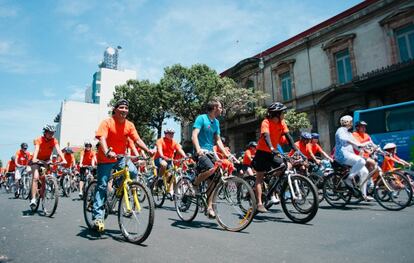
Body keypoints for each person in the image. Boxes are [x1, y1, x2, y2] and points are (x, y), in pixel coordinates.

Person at [92, 99, 155, 231]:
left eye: (126, 108)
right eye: (121, 107)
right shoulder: (107, 122)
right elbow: (102, 138)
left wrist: (147, 150)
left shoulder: (129, 125)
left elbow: (137, 140)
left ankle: (118, 191)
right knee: (102, 185)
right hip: (106, 158)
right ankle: (98, 217)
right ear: (115, 109)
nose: (124, 110)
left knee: (132, 172)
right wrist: (107, 151)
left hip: (120, 158)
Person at [252, 102, 302, 213]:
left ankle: (271, 183)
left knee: (285, 166)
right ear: (276, 114)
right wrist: (271, 147)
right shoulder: (266, 122)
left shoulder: (282, 122)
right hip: (262, 152)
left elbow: (288, 137)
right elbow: (266, 136)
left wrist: (296, 149)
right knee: (259, 177)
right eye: (282, 112)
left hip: (272, 152)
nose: (284, 114)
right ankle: (259, 203)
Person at [192, 99, 229, 218]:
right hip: (201, 152)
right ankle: (195, 183)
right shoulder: (201, 118)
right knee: (211, 168)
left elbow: (218, 140)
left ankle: (209, 208)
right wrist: (198, 150)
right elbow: (194, 135)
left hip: (210, 152)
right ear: (214, 108)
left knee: (215, 178)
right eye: (220, 107)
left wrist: (227, 154)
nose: (221, 109)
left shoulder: (216, 122)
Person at [334, 115, 372, 201]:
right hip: (342, 155)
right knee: (361, 161)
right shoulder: (340, 130)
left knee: (365, 172)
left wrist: (365, 149)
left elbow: (356, 144)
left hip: (349, 155)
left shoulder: (349, 133)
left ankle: (363, 195)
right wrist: (359, 145)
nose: (351, 124)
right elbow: (343, 138)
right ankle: (348, 179)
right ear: (347, 122)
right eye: (351, 121)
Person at [30, 124, 67, 209]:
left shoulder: (54, 140)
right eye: (50, 133)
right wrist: (35, 158)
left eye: (52, 133)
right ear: (45, 132)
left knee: (43, 178)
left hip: (45, 162)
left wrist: (63, 159)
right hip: (37, 161)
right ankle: (33, 199)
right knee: (36, 177)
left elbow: (58, 150)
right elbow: (36, 150)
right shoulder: (39, 140)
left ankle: (42, 199)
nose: (51, 135)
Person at [154, 128, 187, 197]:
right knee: (164, 164)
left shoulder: (174, 142)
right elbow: (159, 150)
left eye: (173, 133)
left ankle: (171, 192)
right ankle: (159, 178)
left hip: (169, 160)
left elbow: (179, 149)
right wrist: (163, 156)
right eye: (170, 133)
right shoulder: (160, 141)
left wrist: (185, 156)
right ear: (165, 134)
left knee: (171, 175)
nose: (172, 135)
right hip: (159, 158)